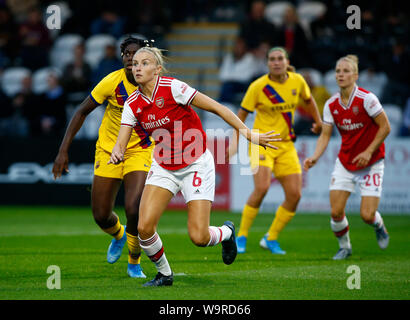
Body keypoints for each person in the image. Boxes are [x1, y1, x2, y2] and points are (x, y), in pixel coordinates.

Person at [108, 45, 280, 287]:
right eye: (135, 63)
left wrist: (248, 133)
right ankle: (164, 274)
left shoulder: (173, 88)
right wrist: (116, 152)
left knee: (199, 237)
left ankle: (227, 232)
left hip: (195, 164)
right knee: (144, 227)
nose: (138, 67)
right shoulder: (133, 103)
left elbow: (218, 107)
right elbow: (121, 141)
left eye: (144, 63)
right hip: (164, 166)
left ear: (158, 69)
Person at [52, 36, 152, 278]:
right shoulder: (111, 82)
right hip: (108, 150)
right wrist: (63, 150)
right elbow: (81, 111)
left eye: (135, 54)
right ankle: (119, 235)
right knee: (100, 215)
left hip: (140, 149)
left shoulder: (154, 84)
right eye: (126, 54)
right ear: (122, 57)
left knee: (133, 207)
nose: (131, 58)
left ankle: (134, 261)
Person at [228, 47, 322, 255]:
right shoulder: (258, 86)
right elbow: (240, 116)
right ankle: (241, 236)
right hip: (261, 143)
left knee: (295, 195)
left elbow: (308, 100)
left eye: (280, 58)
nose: (276, 62)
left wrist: (318, 121)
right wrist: (235, 142)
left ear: (287, 61)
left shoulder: (297, 81)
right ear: (268, 63)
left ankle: (270, 238)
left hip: (286, 145)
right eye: (272, 59)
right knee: (261, 189)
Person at [303, 55, 391, 260]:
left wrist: (368, 151)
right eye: (338, 71)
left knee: (367, 215)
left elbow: (385, 127)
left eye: (345, 71)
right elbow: (325, 135)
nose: (341, 75)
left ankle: (379, 225)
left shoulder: (367, 99)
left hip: (372, 163)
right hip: (345, 162)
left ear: (356, 75)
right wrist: (315, 156)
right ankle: (345, 247)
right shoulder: (331, 104)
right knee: (335, 212)